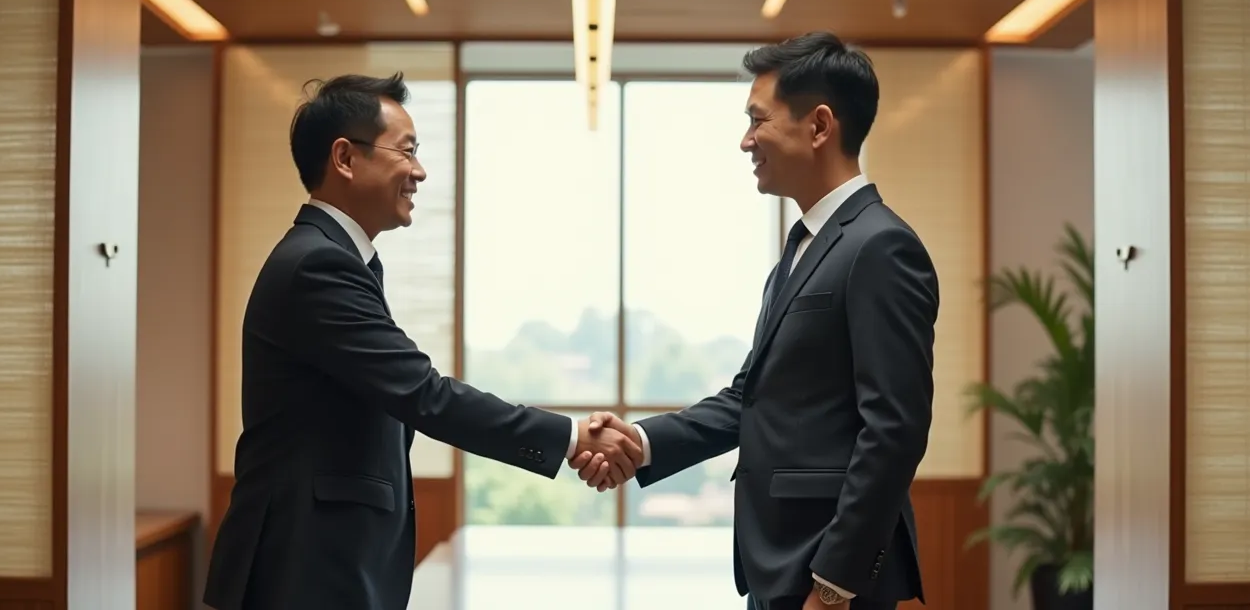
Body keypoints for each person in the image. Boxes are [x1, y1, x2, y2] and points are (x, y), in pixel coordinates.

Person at [203, 73, 642, 610]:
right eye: (406, 151)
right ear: (345, 158)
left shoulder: (337, 257)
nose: (419, 171)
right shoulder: (318, 265)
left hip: (322, 559)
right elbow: (424, 394)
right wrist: (571, 439)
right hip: (303, 564)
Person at [572, 33, 937, 610]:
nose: (746, 141)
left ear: (819, 127)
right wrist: (640, 442)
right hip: (781, 565)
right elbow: (753, 396)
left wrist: (833, 586)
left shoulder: (880, 246)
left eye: (757, 120)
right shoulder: (802, 249)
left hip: (827, 575)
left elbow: (894, 431)